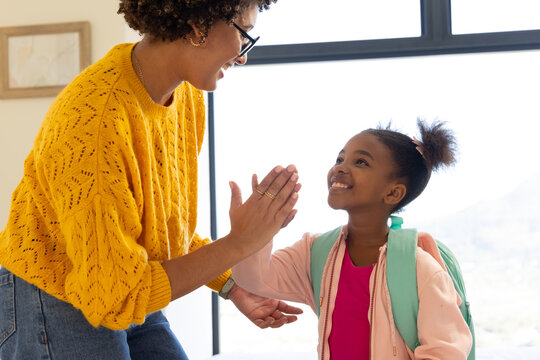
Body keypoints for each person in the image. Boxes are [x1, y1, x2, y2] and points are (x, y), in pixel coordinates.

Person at [0, 1, 304, 359]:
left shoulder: (185, 95)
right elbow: (114, 295)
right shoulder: (96, 122)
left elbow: (163, 227)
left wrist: (231, 284)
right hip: (56, 292)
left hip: (124, 279)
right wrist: (239, 243)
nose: (242, 57)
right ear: (196, 25)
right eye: (243, 33)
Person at [232, 119, 473, 359]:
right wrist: (256, 232)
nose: (340, 168)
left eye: (361, 162)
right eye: (339, 159)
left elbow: (445, 353)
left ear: (392, 192)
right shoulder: (316, 252)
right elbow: (255, 279)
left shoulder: (420, 269)